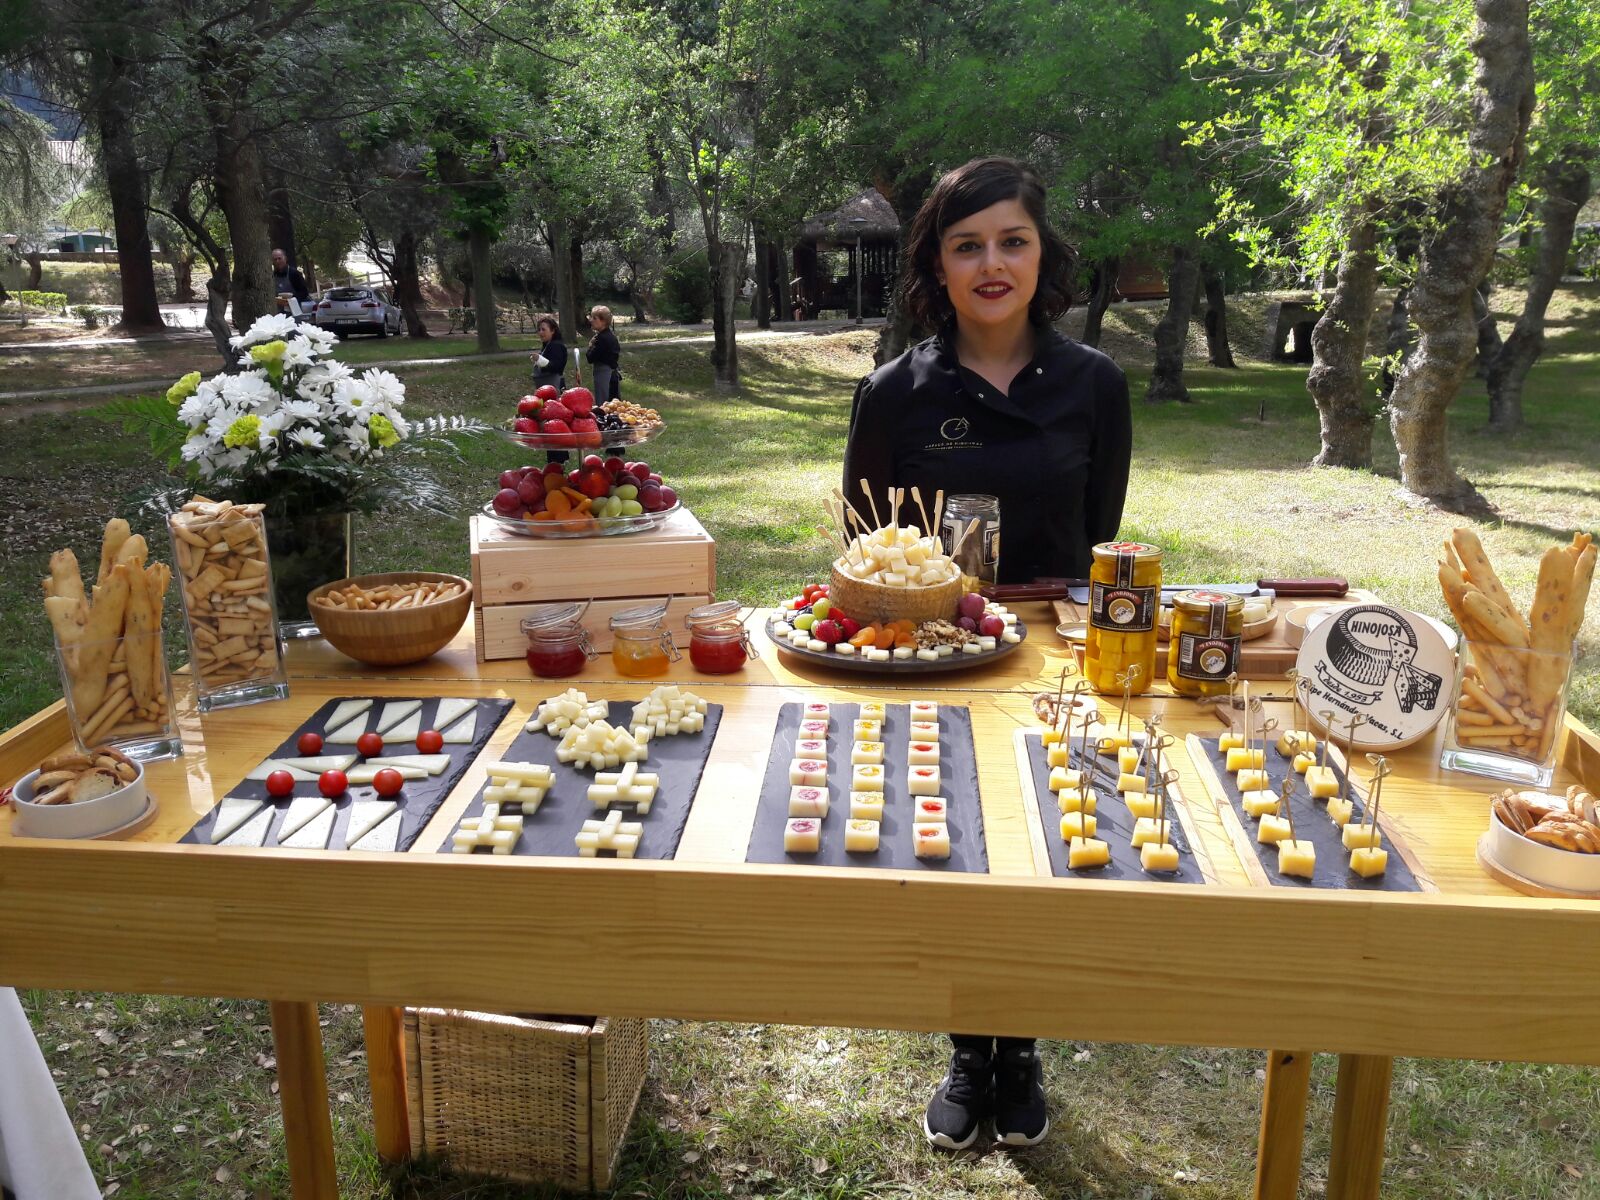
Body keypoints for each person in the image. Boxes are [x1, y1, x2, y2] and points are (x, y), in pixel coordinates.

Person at [841, 157, 1132, 1151]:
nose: (991, 262)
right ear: (938, 263)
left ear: (1040, 254)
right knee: (961, 847)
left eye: (1011, 240)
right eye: (967, 245)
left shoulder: (1095, 385)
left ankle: (1025, 1049)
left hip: (1051, 661)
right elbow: (864, 552)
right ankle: (973, 1047)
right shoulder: (893, 393)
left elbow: (1102, 542)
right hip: (932, 659)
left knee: (1046, 843)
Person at [578, 305, 622, 403]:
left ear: (603, 321)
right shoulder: (612, 336)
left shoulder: (601, 338)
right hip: (613, 373)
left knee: (603, 403)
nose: (591, 320)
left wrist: (590, 345)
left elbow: (590, 358)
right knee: (614, 401)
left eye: (594, 318)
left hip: (603, 374)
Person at [530, 314, 568, 392]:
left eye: (543, 329)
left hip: (554, 387)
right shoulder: (547, 344)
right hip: (546, 387)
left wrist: (540, 359)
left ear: (553, 331)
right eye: (539, 329)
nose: (540, 332)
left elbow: (556, 367)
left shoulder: (556, 346)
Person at [270, 248, 311, 317]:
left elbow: (304, 292)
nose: (277, 261)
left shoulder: (294, 274)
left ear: (285, 258)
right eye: (275, 259)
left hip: (294, 313)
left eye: (279, 258)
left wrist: (290, 300)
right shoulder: (272, 276)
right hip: (278, 314)